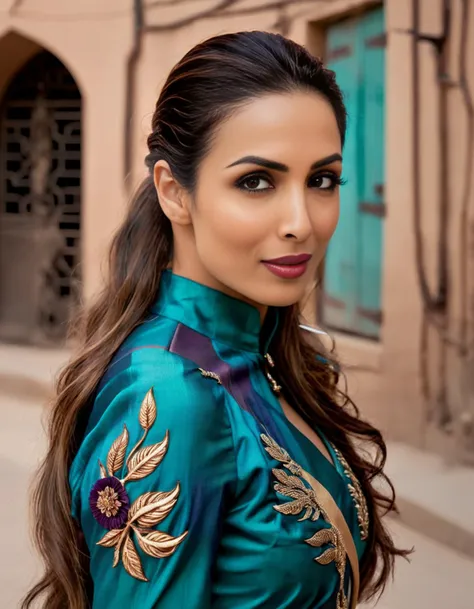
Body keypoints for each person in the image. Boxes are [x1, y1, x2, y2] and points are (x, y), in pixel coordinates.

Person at [23, 31, 408, 609]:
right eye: (256, 182)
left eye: (322, 180)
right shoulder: (169, 393)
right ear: (175, 192)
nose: (301, 221)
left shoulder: (267, 355)